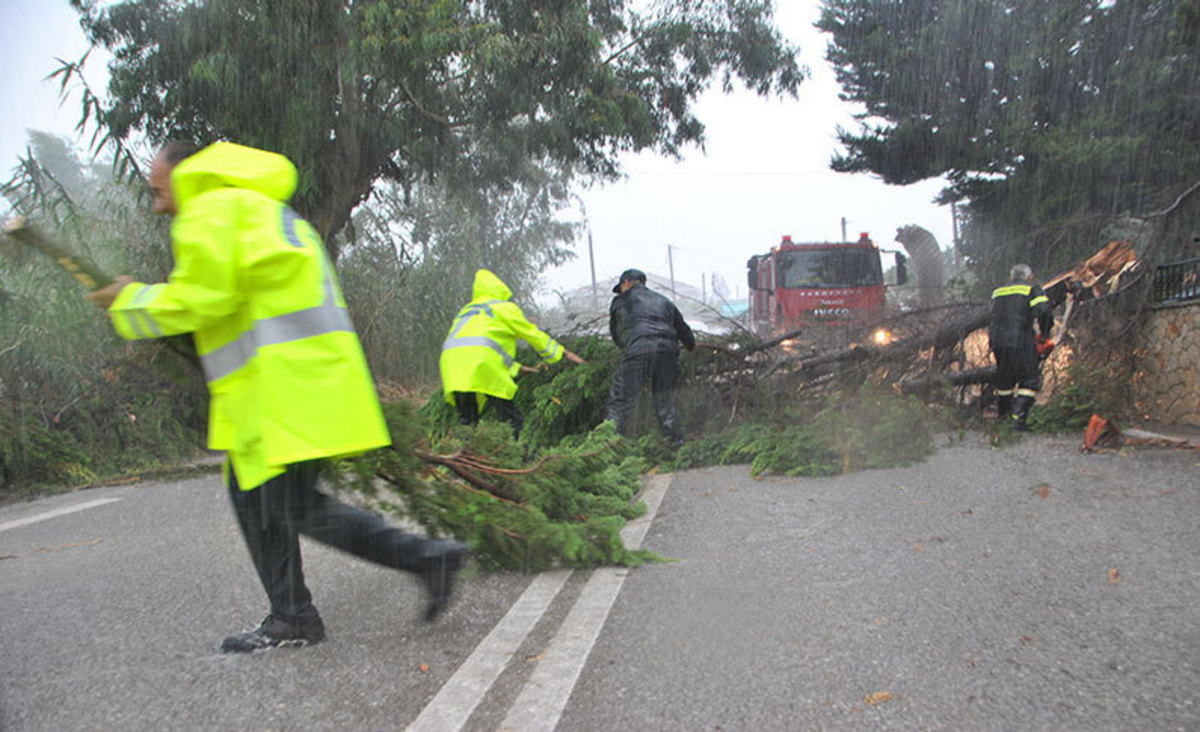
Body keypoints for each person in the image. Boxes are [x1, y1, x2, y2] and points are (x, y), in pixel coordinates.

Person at [86, 141, 467, 653]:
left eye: (158, 191)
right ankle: (292, 615)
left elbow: (201, 300)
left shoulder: (210, 211)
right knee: (253, 498)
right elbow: (232, 301)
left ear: (186, 174)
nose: (158, 205)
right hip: (297, 383)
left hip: (280, 389)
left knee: (290, 506)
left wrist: (129, 301)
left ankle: (425, 558)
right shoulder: (263, 210)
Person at [439, 268, 584, 435]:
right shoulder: (503, 307)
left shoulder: (466, 311)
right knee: (511, 418)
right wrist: (564, 353)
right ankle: (521, 455)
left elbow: (484, 347)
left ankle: (461, 457)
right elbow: (533, 334)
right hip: (483, 365)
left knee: (467, 420)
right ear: (499, 289)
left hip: (452, 366)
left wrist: (517, 367)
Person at [606, 268, 695, 445]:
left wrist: (628, 348)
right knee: (664, 401)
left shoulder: (619, 301)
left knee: (621, 400)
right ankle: (677, 444)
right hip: (668, 352)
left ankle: (609, 448)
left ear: (626, 283)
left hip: (639, 350)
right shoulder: (664, 301)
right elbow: (685, 332)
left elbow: (616, 333)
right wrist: (690, 346)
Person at [988, 263, 1054, 431]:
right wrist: (1045, 334)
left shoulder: (998, 291)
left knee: (1005, 379)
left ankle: (1003, 418)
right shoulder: (1032, 288)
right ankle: (1018, 420)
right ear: (1029, 276)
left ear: (1011, 277)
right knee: (1029, 379)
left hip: (997, 342)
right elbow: (1045, 311)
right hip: (1021, 340)